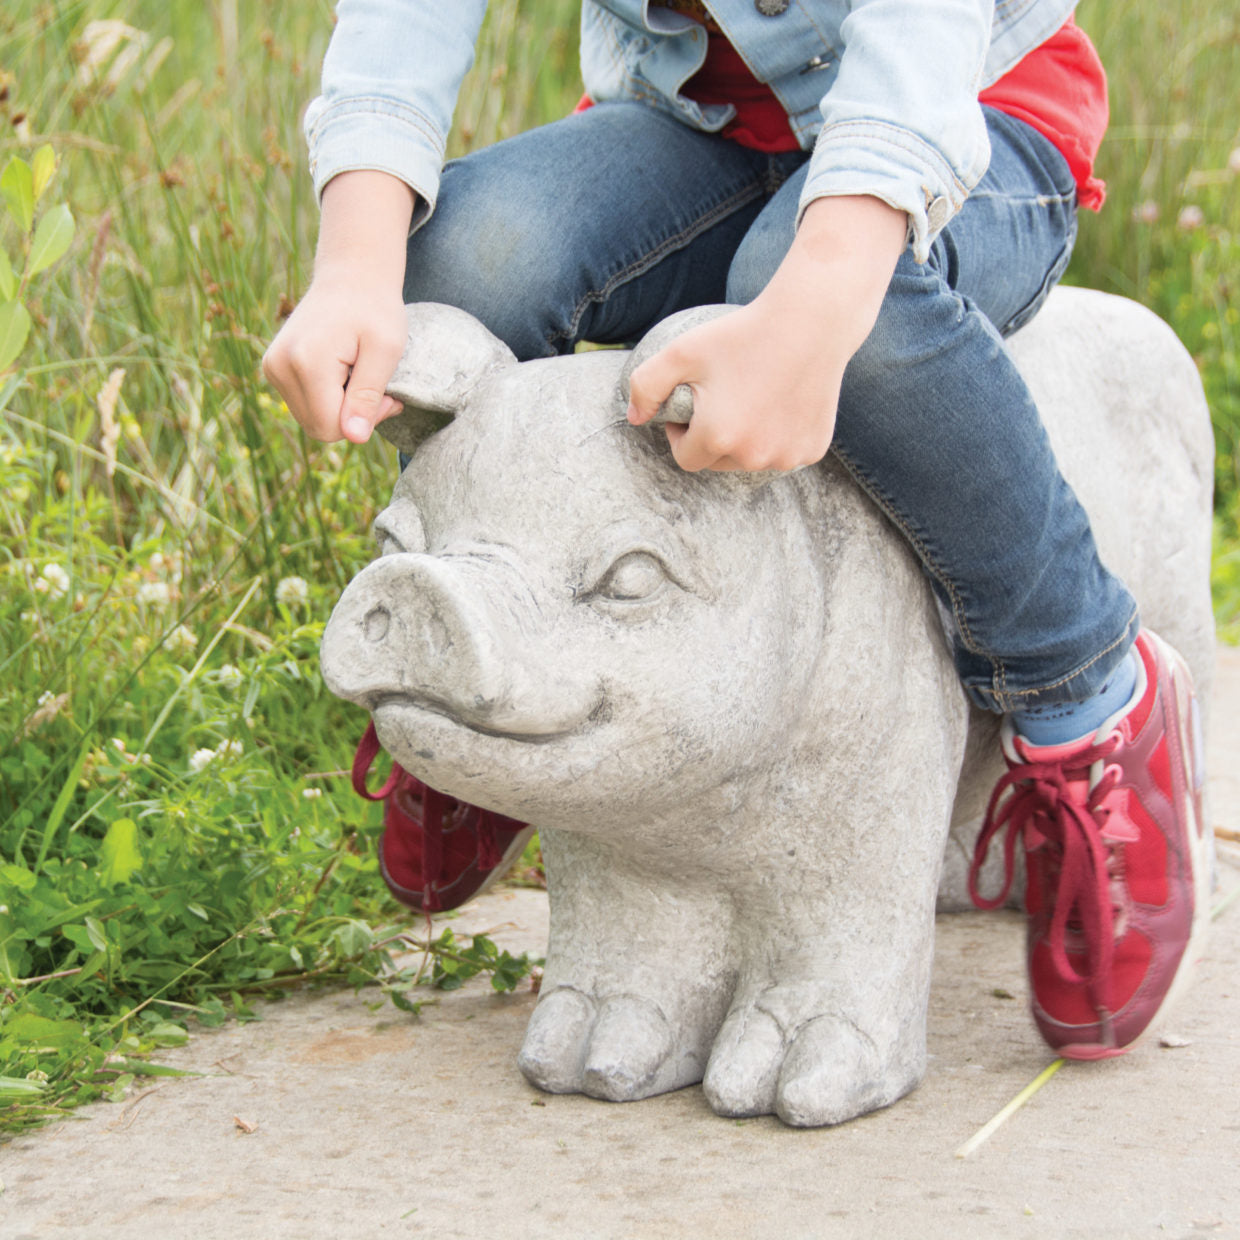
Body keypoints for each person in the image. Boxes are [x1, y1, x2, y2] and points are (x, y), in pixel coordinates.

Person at [263, 0, 1207, 1062]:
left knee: (849, 315)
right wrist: (354, 262)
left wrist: (815, 301)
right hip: (700, 127)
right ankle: (493, 662)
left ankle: (1084, 692)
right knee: (459, 261)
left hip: (968, 120)